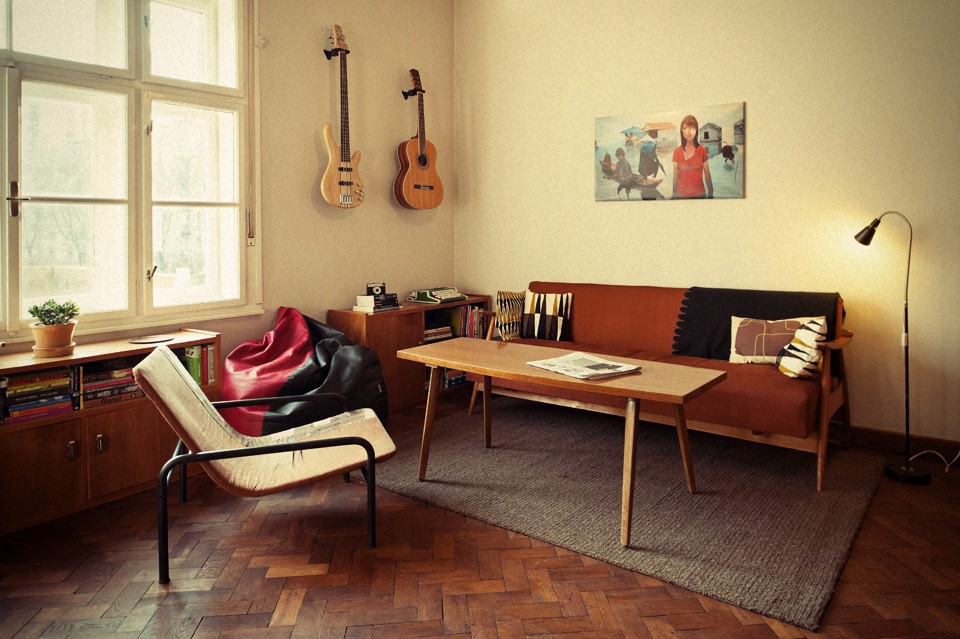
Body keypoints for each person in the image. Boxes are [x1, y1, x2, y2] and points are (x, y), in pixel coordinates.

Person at [672, 114, 713, 198]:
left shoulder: (702, 150)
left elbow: (707, 175)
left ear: (696, 130)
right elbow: (675, 175)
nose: (688, 131)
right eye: (685, 128)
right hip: (680, 196)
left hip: (699, 195)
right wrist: (673, 194)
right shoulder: (676, 152)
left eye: (692, 127)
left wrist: (711, 193)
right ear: (681, 131)